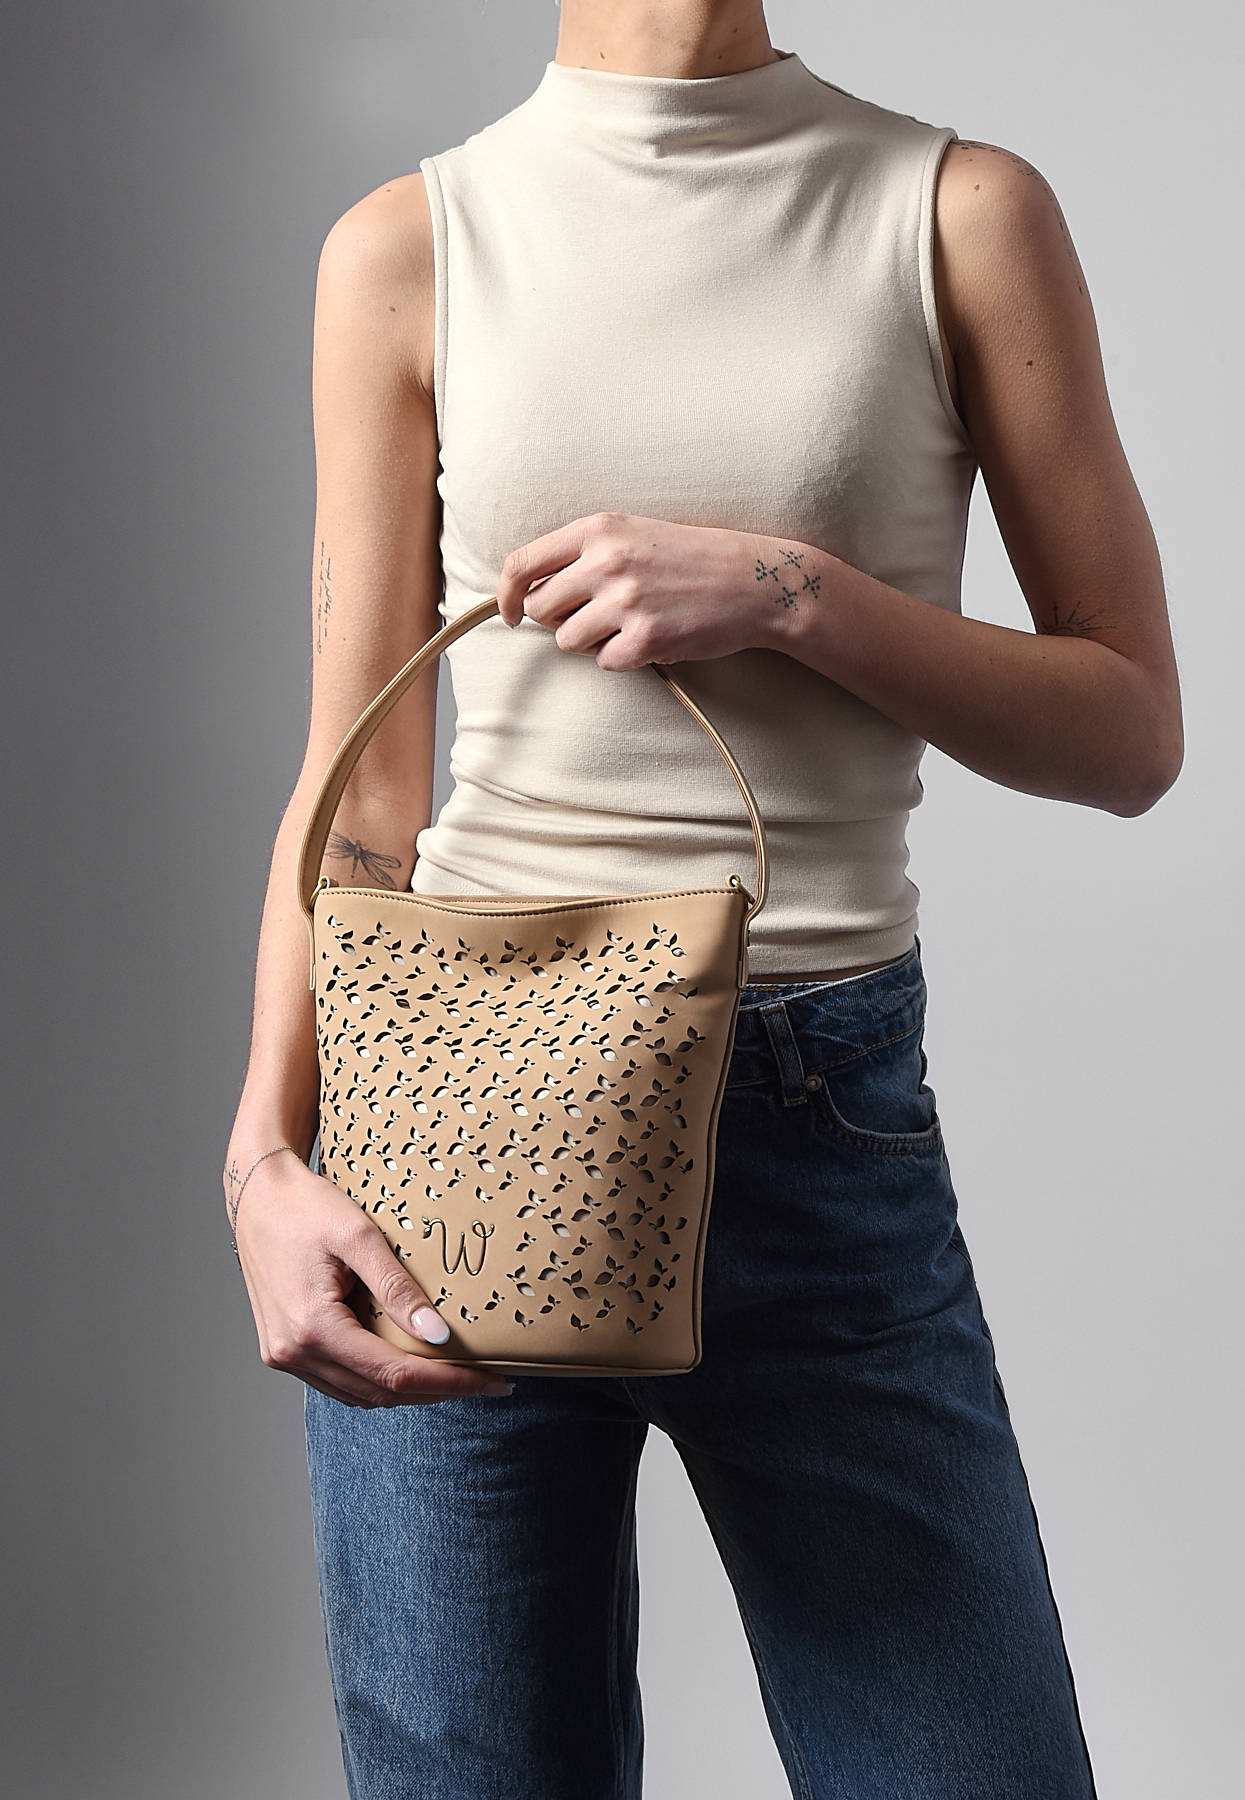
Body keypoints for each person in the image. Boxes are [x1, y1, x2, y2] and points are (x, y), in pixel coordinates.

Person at [223, 2, 1182, 1794]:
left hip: (815, 1113)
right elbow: (360, 800)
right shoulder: (409, 247)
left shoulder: (954, 212)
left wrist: (794, 594)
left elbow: (1127, 734)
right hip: (454, 1126)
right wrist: (265, 1162)